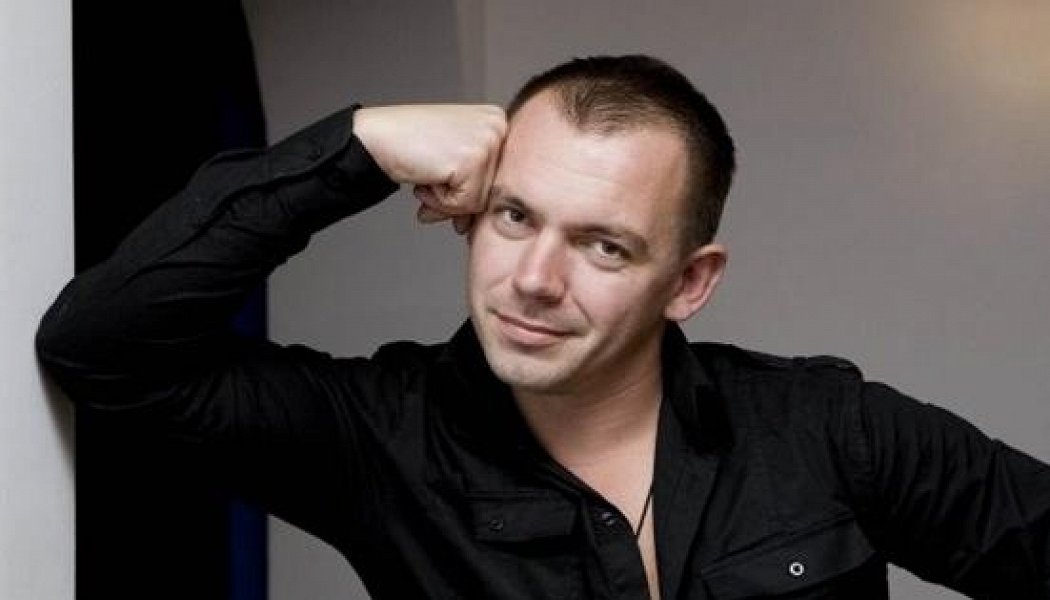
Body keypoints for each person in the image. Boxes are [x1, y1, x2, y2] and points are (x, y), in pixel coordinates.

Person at [37, 55, 1049, 599]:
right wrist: (356, 145)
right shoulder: (378, 439)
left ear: (689, 282)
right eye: (515, 217)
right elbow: (102, 346)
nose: (532, 281)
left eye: (604, 246)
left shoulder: (831, 429)